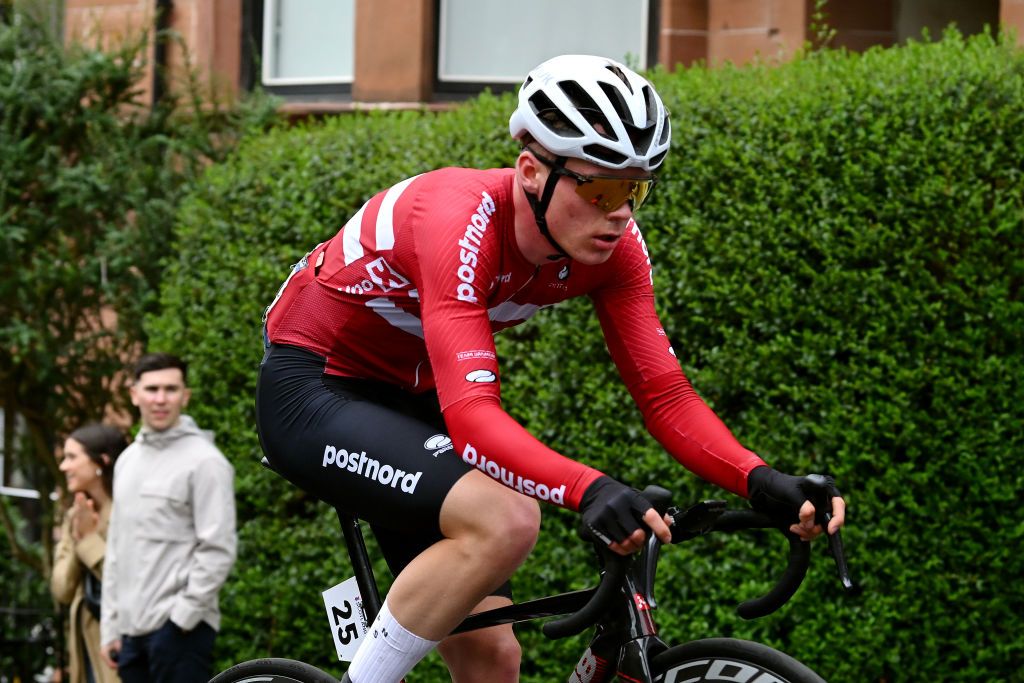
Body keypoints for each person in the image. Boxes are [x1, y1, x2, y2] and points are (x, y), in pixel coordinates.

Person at [256, 54, 847, 683]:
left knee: (492, 658)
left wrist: (757, 479)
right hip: (316, 389)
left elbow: (666, 395)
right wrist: (589, 488)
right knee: (507, 518)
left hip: (412, 399)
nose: (621, 212)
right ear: (533, 172)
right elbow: (474, 417)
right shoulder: (457, 217)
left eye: (636, 189)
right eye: (601, 188)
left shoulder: (615, 251)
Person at [98, 353, 237, 682]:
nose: (160, 399)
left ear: (185, 396)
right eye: (152, 389)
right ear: (134, 394)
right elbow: (117, 550)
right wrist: (110, 628)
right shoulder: (127, 461)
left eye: (171, 389)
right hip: (130, 637)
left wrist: (180, 621)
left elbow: (218, 549)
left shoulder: (206, 462)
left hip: (182, 634)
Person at [51, 423, 128, 683]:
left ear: (101, 461)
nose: (64, 467)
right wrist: (79, 536)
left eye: (72, 457)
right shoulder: (75, 514)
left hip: (122, 644)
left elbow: (129, 582)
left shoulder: (129, 511)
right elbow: (61, 589)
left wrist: (89, 540)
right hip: (84, 650)